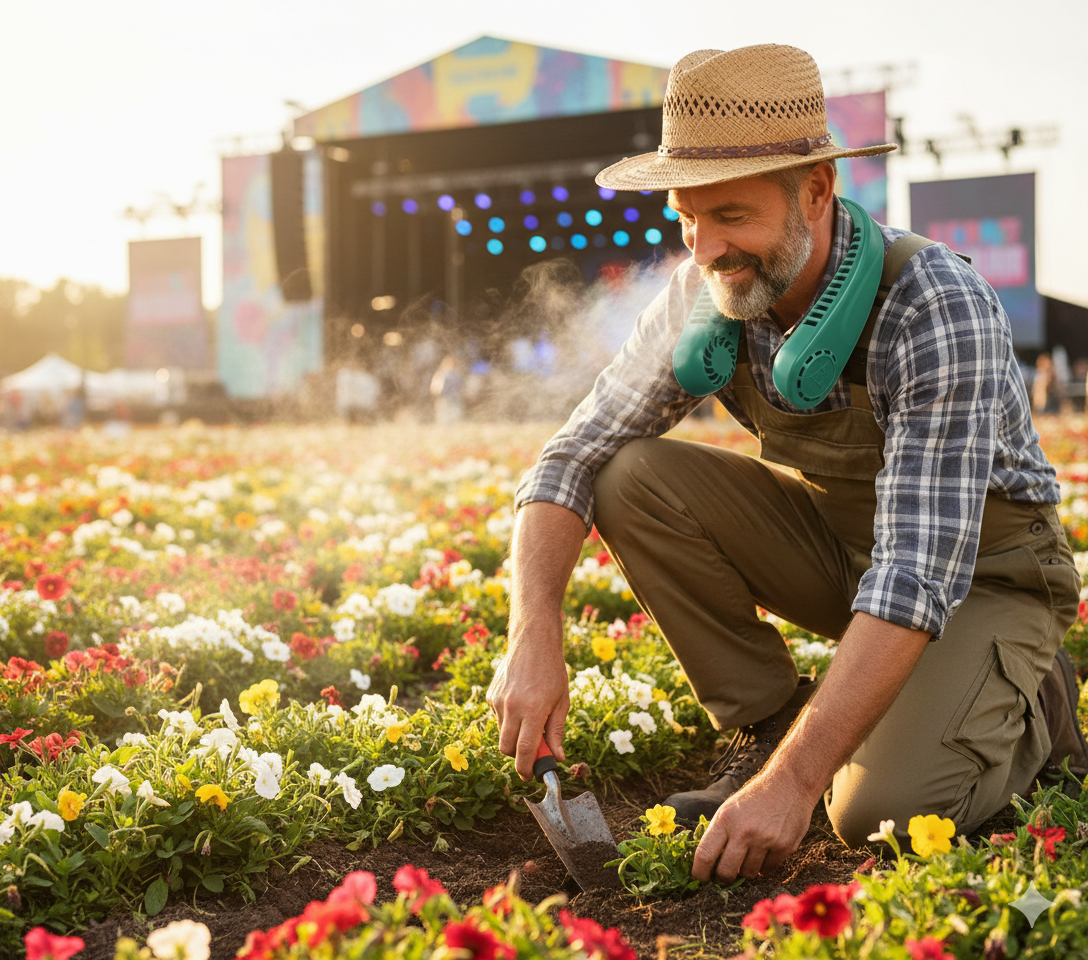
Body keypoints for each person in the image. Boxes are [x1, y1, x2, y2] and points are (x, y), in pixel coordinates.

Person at [486, 44, 1087, 885]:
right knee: (629, 475)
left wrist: (796, 786)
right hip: (850, 553)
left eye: (731, 214)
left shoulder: (933, 304)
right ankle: (767, 724)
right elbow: (570, 457)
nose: (706, 247)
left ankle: (1032, 698)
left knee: (878, 814)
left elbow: (917, 573)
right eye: (686, 217)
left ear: (816, 190)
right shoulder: (703, 294)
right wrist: (533, 633)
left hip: (982, 578)